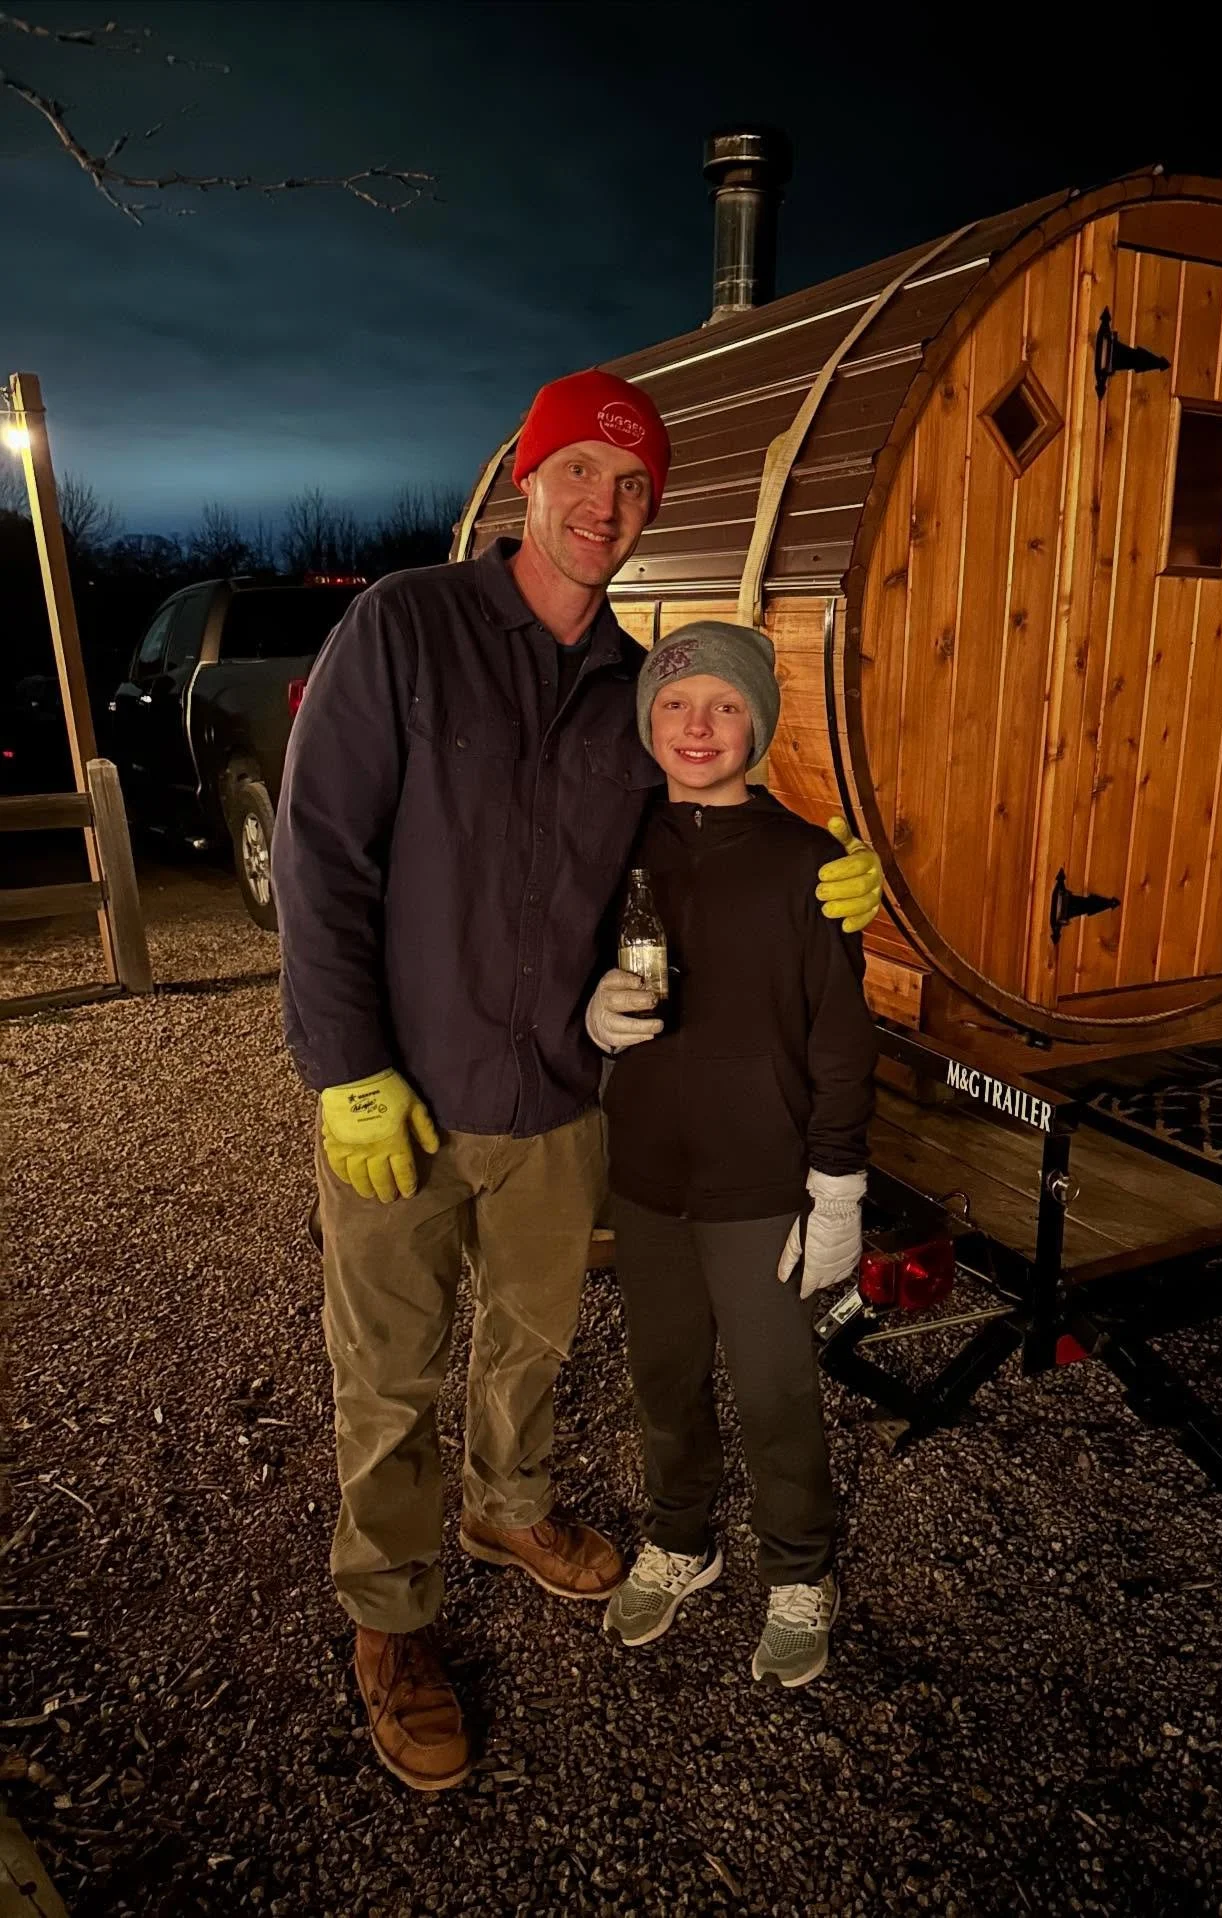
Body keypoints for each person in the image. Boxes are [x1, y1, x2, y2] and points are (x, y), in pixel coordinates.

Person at [270, 369, 884, 1790]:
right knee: (387, 1369)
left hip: (558, 1093)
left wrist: (830, 878)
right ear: (526, 484)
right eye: (579, 477)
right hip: (406, 1092)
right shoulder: (405, 627)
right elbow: (320, 854)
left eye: (632, 490)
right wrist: (344, 1066)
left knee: (533, 1340)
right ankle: (391, 1615)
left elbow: (700, 828)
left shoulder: (632, 681)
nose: (603, 507)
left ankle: (510, 1507)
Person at [590, 620, 878, 1690]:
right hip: (650, 1173)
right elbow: (569, 974)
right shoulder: (617, 848)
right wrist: (589, 1013)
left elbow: (841, 1037)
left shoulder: (808, 861)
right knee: (664, 1376)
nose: (697, 725)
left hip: (763, 1179)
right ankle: (682, 1538)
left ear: (758, 722)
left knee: (773, 1386)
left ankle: (801, 1569)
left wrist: (838, 1181)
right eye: (673, 703)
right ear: (647, 722)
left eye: (723, 705)